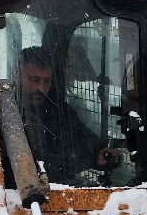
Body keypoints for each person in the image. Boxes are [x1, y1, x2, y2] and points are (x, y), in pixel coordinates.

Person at [15, 47, 123, 184]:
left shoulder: (60, 113)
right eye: (34, 80)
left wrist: (99, 154)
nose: (41, 88)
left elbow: (83, 140)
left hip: (62, 194)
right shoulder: (2, 113)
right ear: (17, 77)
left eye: (47, 81)